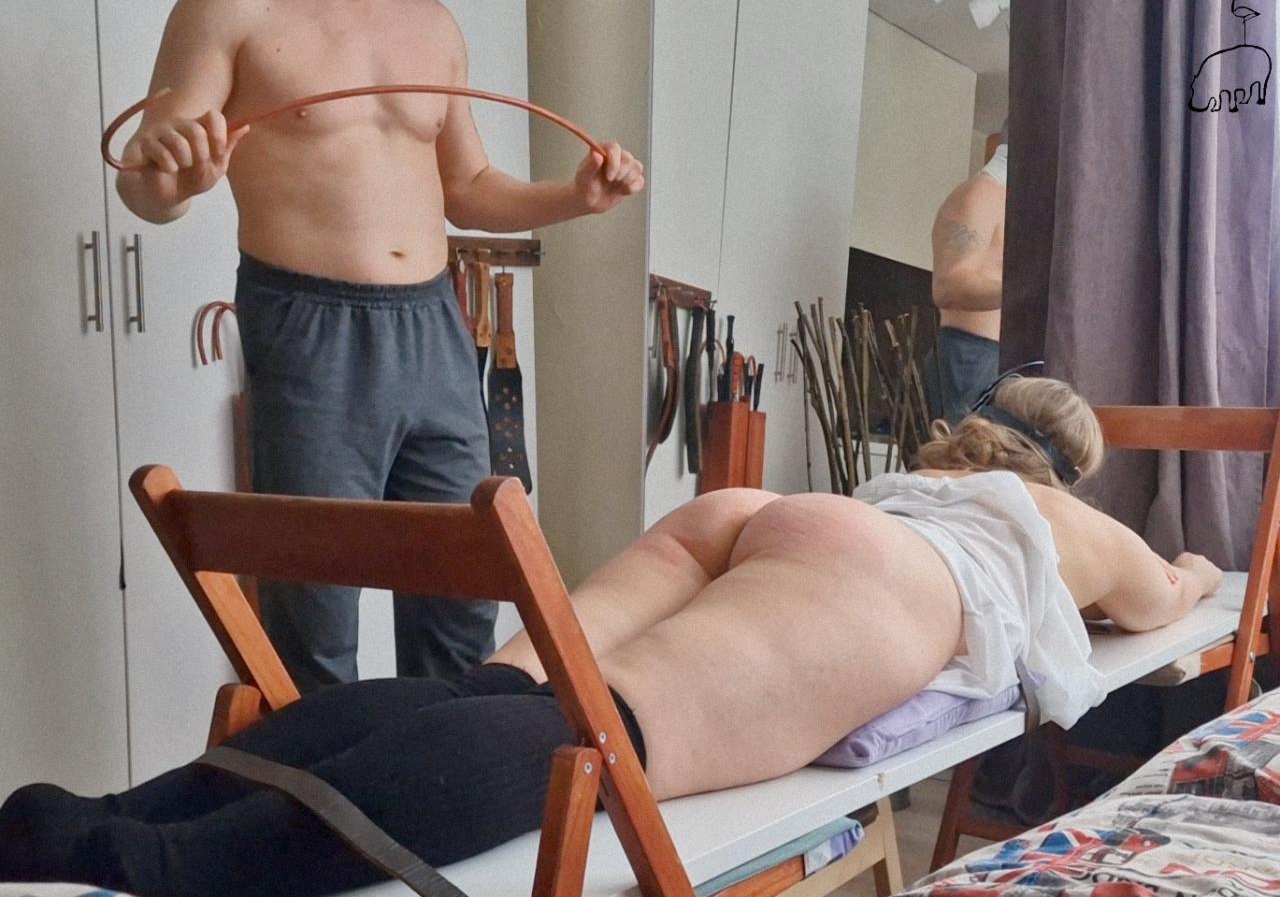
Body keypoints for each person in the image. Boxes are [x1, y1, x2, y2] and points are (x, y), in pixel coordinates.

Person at [0, 377, 1222, 896]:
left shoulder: (900, 480)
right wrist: (1198, 569)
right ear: (1065, 467)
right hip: (893, 577)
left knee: (514, 683)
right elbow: (1162, 604)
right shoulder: (1057, 517)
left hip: (777, 517)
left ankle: (115, 810)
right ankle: (163, 864)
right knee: (606, 729)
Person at [114, 0, 646, 693]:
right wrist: (173, 183)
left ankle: (440, 763)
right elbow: (145, 183)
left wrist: (575, 198)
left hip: (435, 325)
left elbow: (468, 186)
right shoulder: (235, 2)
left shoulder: (431, 22)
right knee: (314, 612)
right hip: (310, 331)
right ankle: (319, 768)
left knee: (463, 595)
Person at [927, 134, 1007, 424]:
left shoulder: (1010, 201)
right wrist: (1028, 291)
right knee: (972, 451)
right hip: (972, 356)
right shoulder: (980, 195)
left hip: (999, 358)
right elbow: (948, 287)